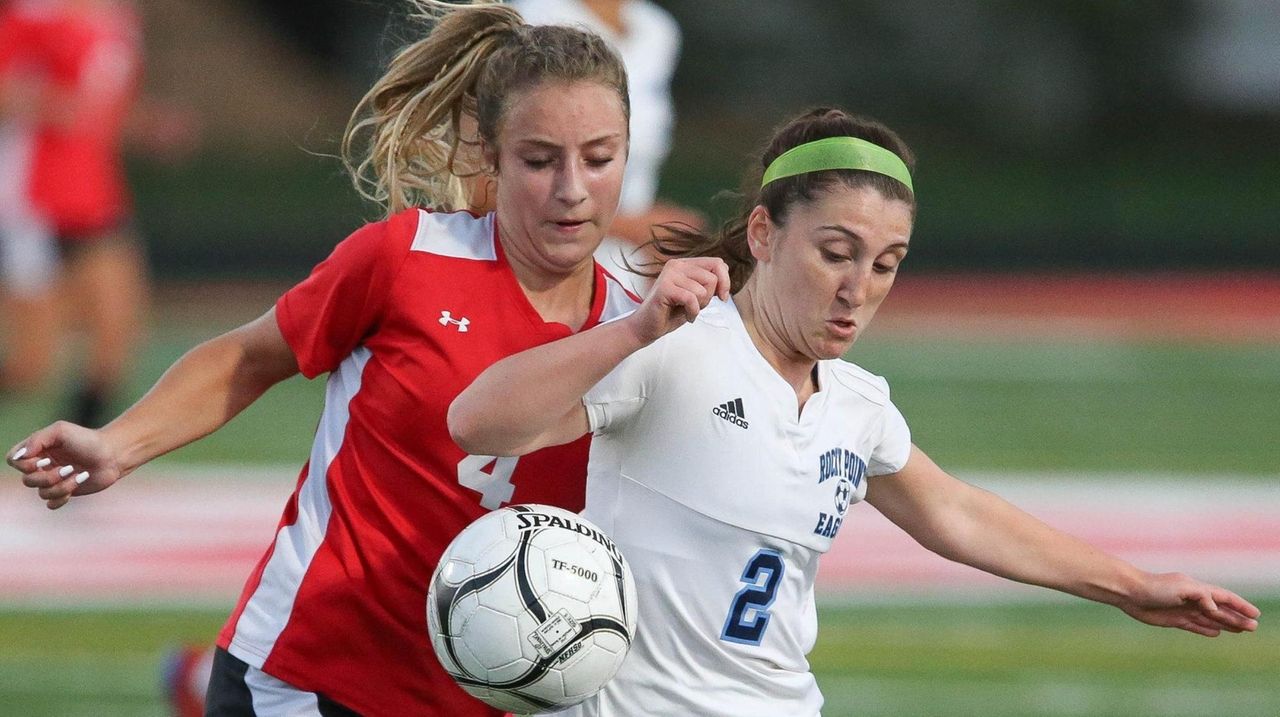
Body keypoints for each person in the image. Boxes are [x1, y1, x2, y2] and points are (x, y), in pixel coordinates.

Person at [449, 107, 1262, 716]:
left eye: (885, 263)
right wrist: (633, 330)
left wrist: (1130, 586)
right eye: (834, 253)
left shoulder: (857, 405)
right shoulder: (677, 348)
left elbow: (957, 513)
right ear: (764, 233)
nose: (857, 287)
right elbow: (479, 421)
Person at [7, 1, 640, 714]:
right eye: (538, 159)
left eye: (598, 158)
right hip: (307, 680)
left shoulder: (639, 335)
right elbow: (248, 359)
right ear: (489, 155)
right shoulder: (407, 258)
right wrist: (116, 442)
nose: (571, 190)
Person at [0, 0, 151, 428]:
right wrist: (51, 104)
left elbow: (102, 106)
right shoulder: (33, 16)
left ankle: (78, 457)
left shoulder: (121, 20)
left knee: (116, 332)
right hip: (34, 200)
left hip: (96, 196)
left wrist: (145, 125)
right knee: (32, 365)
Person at [512, 0, 703, 294]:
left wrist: (662, 234)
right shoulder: (530, 20)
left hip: (621, 281)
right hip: (536, 276)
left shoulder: (657, 31)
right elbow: (485, 187)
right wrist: (635, 228)